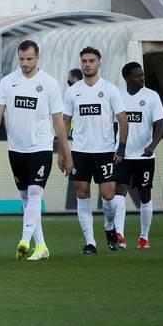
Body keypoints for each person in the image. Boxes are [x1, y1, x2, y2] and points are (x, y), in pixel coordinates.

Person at [0, 40, 71, 262]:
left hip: (40, 146)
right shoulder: (8, 82)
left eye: (29, 59)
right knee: (25, 196)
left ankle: (24, 240)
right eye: (22, 59)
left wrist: (65, 151)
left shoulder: (49, 84)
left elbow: (58, 120)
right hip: (16, 148)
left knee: (34, 193)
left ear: (37, 57)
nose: (25, 63)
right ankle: (41, 246)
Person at [62, 47, 128, 254]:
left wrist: (121, 147)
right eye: (84, 61)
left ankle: (109, 227)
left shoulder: (110, 89)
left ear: (99, 63)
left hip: (104, 151)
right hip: (80, 151)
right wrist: (64, 152)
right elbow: (65, 121)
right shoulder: (73, 91)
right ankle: (90, 242)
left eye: (91, 61)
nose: (87, 64)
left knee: (109, 196)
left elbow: (123, 119)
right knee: (82, 193)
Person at [114, 62, 163, 250]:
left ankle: (144, 236)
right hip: (123, 155)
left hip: (144, 156)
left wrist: (152, 145)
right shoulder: (118, 96)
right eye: (137, 76)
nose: (141, 78)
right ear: (127, 78)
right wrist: (116, 147)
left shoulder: (152, 96)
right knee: (119, 190)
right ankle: (119, 234)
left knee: (144, 195)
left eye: (142, 75)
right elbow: (113, 124)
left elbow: (160, 123)